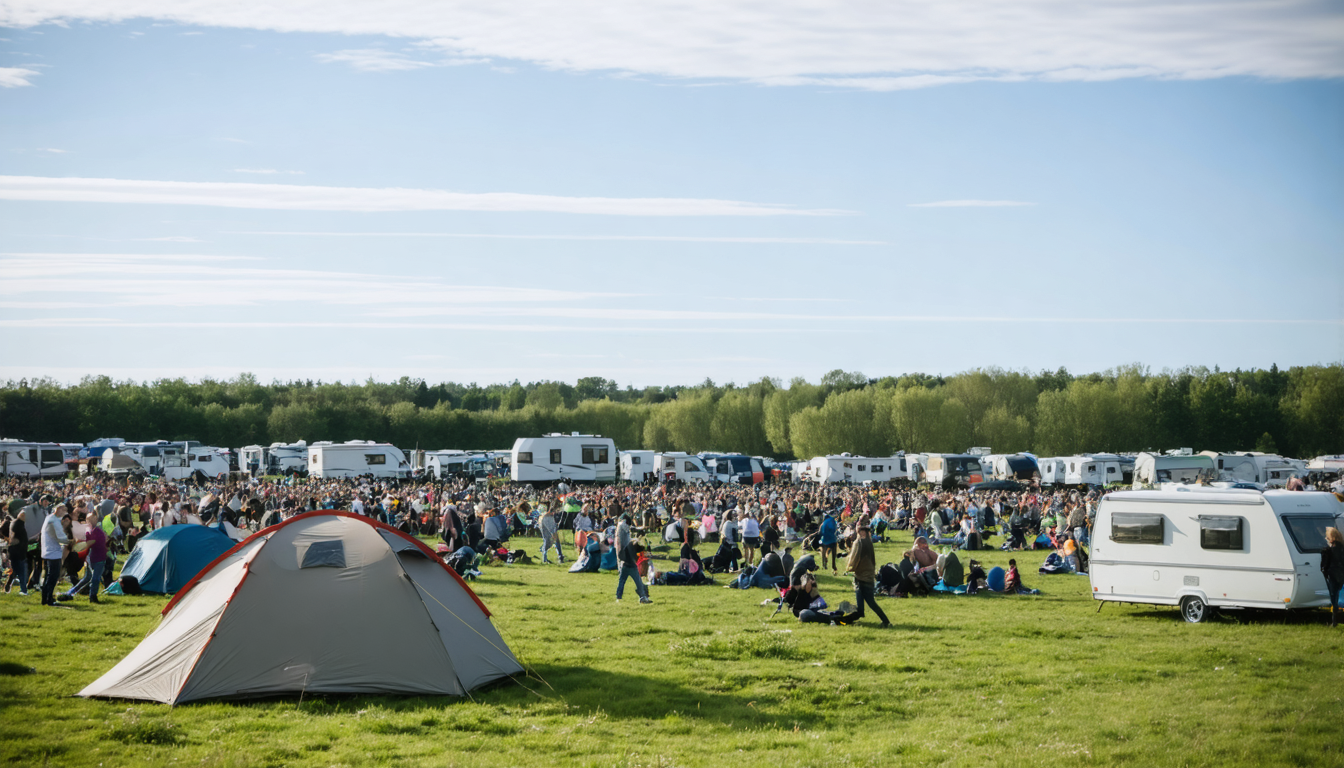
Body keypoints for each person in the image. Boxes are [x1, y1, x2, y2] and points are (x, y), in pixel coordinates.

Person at [844, 524, 889, 626]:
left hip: (861, 579)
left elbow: (854, 559)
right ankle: (885, 621)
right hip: (869, 577)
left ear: (861, 532)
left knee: (866, 606)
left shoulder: (859, 543)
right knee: (870, 603)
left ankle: (842, 621)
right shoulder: (869, 543)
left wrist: (849, 569)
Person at [615, 514, 651, 604]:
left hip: (624, 559)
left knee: (622, 580)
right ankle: (643, 596)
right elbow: (629, 537)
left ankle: (618, 597)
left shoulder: (620, 531)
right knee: (637, 580)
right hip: (628, 559)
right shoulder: (623, 526)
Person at [40, 502, 70, 607]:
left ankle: (45, 598)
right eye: (64, 510)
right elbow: (61, 537)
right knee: (52, 577)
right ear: (58, 509)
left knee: (48, 576)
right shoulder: (54, 521)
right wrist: (70, 541)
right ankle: (49, 599)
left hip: (47, 551)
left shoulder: (49, 518)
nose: (65, 512)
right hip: (53, 553)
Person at [1321, 527, 1344, 628]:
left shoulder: (1327, 550)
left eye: (1327, 537)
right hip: (1342, 575)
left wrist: (1325, 573)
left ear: (1330, 539)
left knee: (1334, 597)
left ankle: (1334, 621)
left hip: (1332, 575)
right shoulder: (1342, 548)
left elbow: (1324, 566)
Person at [5, 509, 29, 595]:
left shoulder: (19, 523)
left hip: (18, 551)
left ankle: (9, 584)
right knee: (22, 572)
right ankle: (23, 590)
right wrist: (14, 541)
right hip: (17, 551)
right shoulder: (17, 524)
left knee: (16, 570)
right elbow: (12, 537)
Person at [818, 510, 838, 575]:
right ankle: (833, 565)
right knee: (834, 552)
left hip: (825, 540)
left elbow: (820, 532)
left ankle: (824, 564)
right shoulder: (833, 521)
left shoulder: (823, 523)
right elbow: (835, 529)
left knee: (823, 551)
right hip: (832, 539)